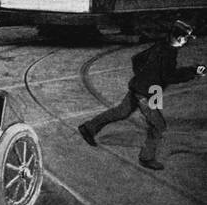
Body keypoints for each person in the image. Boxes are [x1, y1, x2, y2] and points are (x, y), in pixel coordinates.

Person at [79, 20, 204, 170]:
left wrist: (142, 77)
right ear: (179, 38)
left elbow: (137, 59)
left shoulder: (160, 45)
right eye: (186, 38)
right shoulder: (170, 53)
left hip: (140, 87)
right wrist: (193, 72)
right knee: (158, 125)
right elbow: (169, 76)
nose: (186, 42)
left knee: (121, 111)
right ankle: (146, 157)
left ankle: (88, 128)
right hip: (148, 93)